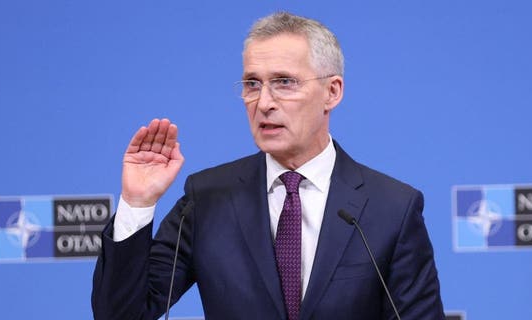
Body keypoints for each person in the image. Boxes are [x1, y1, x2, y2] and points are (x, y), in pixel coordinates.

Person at [92, 11, 445, 320]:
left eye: (284, 82)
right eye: (251, 84)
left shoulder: (392, 209)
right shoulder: (207, 198)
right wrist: (137, 203)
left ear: (332, 92)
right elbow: (122, 314)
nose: (263, 103)